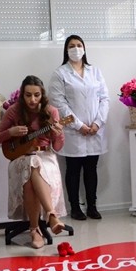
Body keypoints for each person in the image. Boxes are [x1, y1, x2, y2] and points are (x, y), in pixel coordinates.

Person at [0, 75, 68, 249]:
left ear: (42, 95)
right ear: (22, 95)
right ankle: (52, 216)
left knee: (33, 165)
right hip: (19, 158)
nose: (32, 100)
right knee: (31, 162)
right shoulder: (14, 110)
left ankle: (35, 230)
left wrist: (58, 132)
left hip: (46, 157)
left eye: (36, 95)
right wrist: (10, 132)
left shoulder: (51, 111)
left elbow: (57, 146)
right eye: (28, 95)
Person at [48, 35, 109, 220]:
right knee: (73, 170)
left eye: (79, 45)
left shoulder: (95, 71)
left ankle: (92, 206)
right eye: (72, 46)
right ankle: (75, 207)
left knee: (92, 168)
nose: (76, 49)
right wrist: (79, 125)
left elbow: (104, 98)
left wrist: (97, 123)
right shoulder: (60, 73)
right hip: (72, 131)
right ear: (66, 50)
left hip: (95, 130)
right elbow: (58, 103)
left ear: (84, 48)